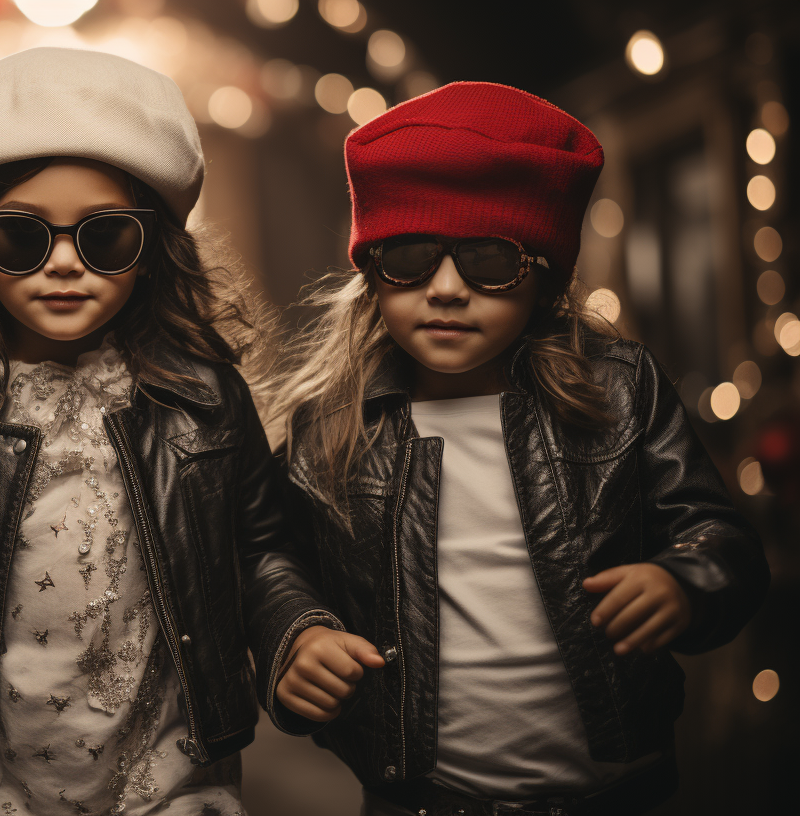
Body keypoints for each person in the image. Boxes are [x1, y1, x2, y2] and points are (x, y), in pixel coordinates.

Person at [261, 81, 769, 815]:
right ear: (371, 272)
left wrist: (685, 582)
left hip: (617, 795)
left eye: (490, 262)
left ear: (543, 280)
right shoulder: (329, 424)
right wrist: (294, 633)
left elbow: (724, 539)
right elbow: (270, 555)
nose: (445, 289)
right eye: (408, 256)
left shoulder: (620, 390)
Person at [0, 47, 316, 816]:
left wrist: (297, 632)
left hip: (173, 783)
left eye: (104, 237)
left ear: (150, 250)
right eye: (22, 237)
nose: (65, 263)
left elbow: (262, 550)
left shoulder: (204, 397)